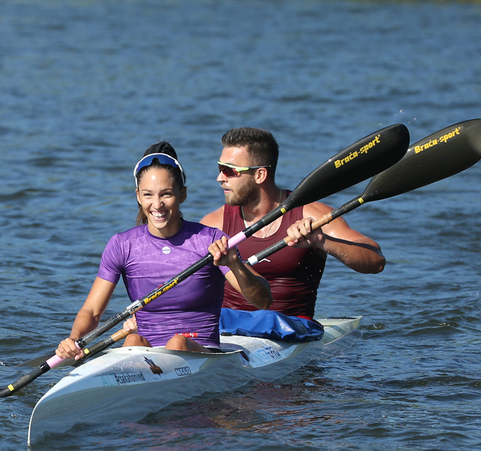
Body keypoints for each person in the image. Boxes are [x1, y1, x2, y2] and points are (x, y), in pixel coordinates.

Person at [56, 143, 271, 359]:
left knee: (177, 343)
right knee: (132, 340)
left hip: (199, 351)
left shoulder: (211, 240)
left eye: (166, 194)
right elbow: (92, 311)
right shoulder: (122, 245)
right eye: (148, 195)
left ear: (182, 194)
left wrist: (233, 264)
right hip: (148, 355)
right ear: (138, 196)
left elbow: (263, 300)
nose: (157, 205)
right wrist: (74, 340)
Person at [199, 127, 384, 318]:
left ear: (260, 175)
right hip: (231, 331)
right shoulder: (214, 224)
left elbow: (376, 262)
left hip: (294, 331)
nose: (219, 178)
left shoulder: (312, 215)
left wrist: (322, 241)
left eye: (228, 170)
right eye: (220, 168)